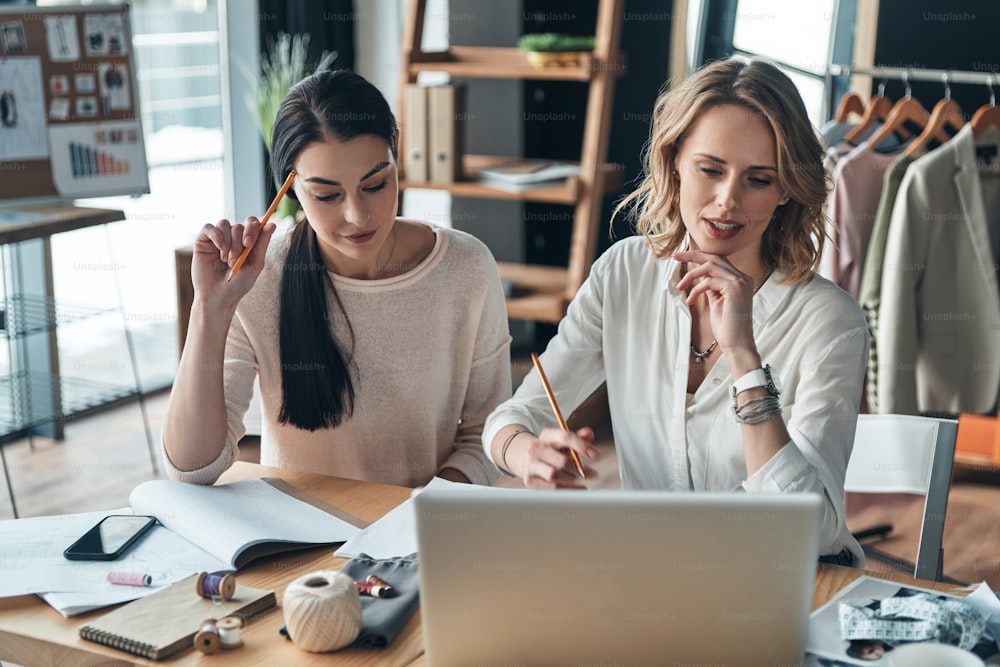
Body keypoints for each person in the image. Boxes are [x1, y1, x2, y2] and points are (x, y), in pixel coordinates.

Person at [483, 57, 868, 565]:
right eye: (710, 169)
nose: (727, 200)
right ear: (674, 162)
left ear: (785, 192)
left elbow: (811, 530)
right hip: (653, 576)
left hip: (779, 581)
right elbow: (511, 418)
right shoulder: (622, 273)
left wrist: (743, 357)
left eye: (758, 179)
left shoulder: (831, 322)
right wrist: (526, 454)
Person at [164, 69, 512, 488]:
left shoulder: (465, 267)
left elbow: (484, 435)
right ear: (290, 191)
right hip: (299, 541)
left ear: (397, 163)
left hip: (420, 535)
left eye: (376, 183)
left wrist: (421, 515)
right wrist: (210, 309)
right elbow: (192, 468)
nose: (358, 216)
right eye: (327, 195)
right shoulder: (260, 278)